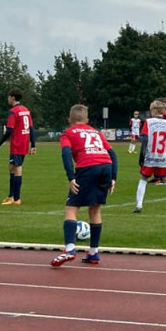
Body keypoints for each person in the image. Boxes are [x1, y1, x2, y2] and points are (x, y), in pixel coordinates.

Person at [51, 104, 118, 266]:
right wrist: (113, 177)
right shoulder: (96, 132)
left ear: (69, 120)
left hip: (87, 167)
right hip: (106, 167)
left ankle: (69, 249)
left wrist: (71, 177)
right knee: (95, 209)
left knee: (71, 208)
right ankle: (93, 253)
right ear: (87, 120)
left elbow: (66, 153)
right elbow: (112, 154)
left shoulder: (67, 133)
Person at [133, 99, 166, 213]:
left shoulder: (148, 122)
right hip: (162, 156)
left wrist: (142, 157)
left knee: (143, 179)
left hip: (150, 156)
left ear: (154, 111)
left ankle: (139, 205)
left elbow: (145, 139)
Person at [0, 87, 36, 206]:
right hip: (24, 143)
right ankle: (11, 196)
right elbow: (31, 128)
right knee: (11, 167)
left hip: (17, 144)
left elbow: (9, 130)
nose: (7, 99)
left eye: (8, 97)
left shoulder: (13, 112)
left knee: (17, 169)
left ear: (13, 97)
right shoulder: (25, 110)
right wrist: (33, 144)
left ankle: (16, 198)